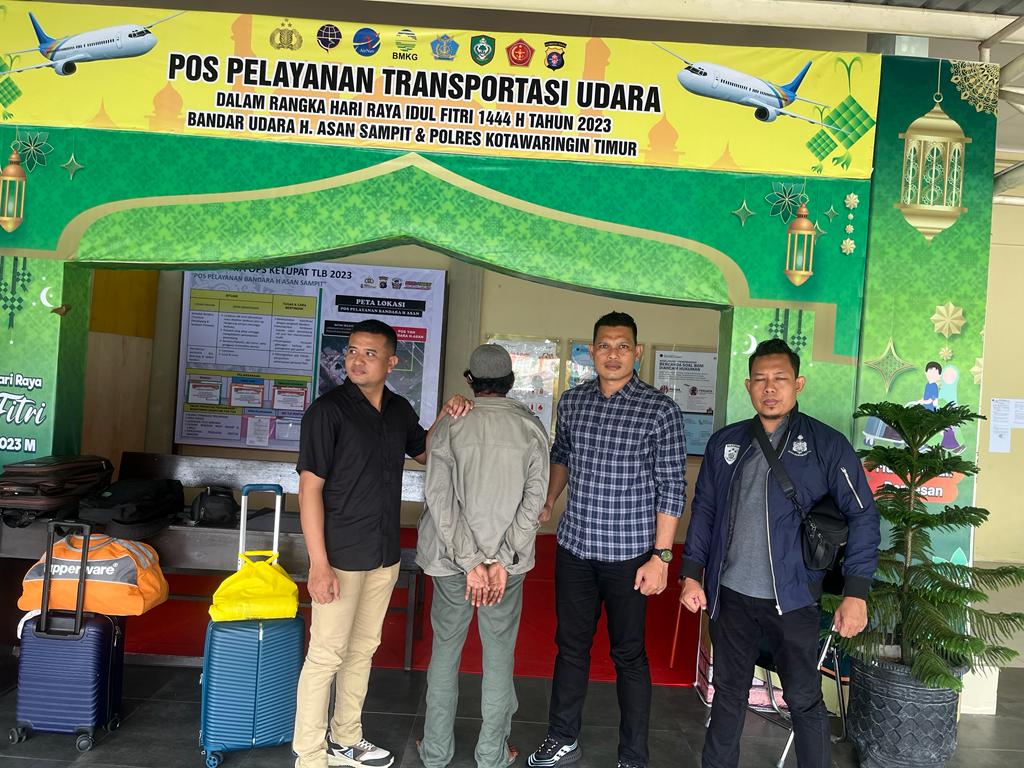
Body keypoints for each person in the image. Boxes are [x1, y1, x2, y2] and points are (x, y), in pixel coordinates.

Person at [679, 338, 881, 768]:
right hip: (730, 597)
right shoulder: (726, 443)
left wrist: (856, 593)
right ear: (748, 386)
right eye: (760, 379)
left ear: (798, 384)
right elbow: (705, 510)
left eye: (780, 379)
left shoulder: (827, 445)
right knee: (728, 696)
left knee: (804, 700)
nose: (769, 388)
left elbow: (863, 516)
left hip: (793, 600)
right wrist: (692, 573)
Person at [293, 318, 470, 768]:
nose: (357, 360)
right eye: (352, 351)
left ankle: (346, 739)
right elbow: (309, 490)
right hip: (340, 555)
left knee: (362, 651)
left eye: (369, 353)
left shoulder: (397, 409)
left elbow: (426, 451)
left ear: (391, 363)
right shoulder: (327, 412)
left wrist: (449, 413)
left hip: (384, 554)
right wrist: (318, 564)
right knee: (325, 655)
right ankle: (309, 755)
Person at [527, 311, 687, 768]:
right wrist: (549, 499)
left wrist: (661, 557)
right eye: (604, 345)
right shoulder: (573, 401)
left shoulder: (660, 410)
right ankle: (562, 737)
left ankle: (633, 756)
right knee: (570, 647)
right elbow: (562, 454)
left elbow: (672, 486)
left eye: (622, 346)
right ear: (591, 351)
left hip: (630, 556)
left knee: (629, 655)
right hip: (575, 547)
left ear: (637, 352)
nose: (612, 354)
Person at [416, 343, 550, 768]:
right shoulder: (531, 428)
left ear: (470, 381)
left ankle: (436, 751)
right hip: (505, 568)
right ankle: (492, 754)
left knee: (445, 653)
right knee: (498, 656)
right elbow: (534, 504)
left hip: (450, 561)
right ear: (511, 381)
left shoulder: (451, 426)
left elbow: (439, 499)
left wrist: (470, 561)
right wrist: (500, 560)